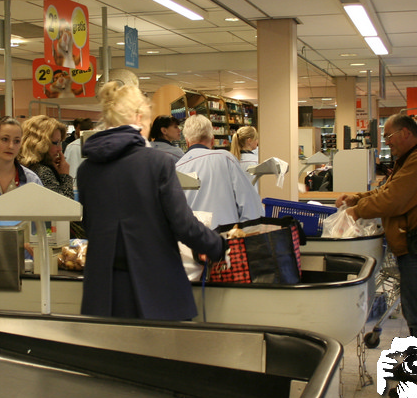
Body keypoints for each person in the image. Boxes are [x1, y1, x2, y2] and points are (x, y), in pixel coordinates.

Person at [77, 82, 226, 320]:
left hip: (103, 292)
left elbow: (90, 225)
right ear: (139, 117)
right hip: (155, 288)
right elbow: (183, 225)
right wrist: (218, 246)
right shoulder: (157, 163)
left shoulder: (86, 170)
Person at [336, 113, 417, 398]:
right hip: (413, 245)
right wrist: (358, 198)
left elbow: (393, 200)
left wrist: (357, 211)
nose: (387, 142)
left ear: (405, 133)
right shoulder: (410, 159)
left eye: (388, 136)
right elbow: (388, 190)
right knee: (415, 311)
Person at [174, 114, 262, 228]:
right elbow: (251, 207)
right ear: (212, 140)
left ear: (187, 142)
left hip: (191, 237)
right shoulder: (225, 158)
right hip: (226, 236)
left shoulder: (176, 169)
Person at [19, 115, 74, 199]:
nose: (60, 149)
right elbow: (65, 204)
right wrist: (65, 176)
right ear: (39, 144)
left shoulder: (19, 166)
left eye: (60, 143)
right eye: (55, 143)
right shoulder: (43, 172)